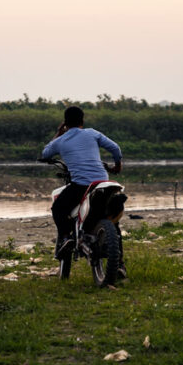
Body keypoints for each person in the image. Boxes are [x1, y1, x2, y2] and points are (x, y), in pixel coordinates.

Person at [40, 106, 123, 260]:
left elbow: (45, 154)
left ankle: (66, 238)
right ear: (82, 120)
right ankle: (120, 266)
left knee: (58, 208)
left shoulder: (60, 140)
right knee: (114, 222)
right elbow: (115, 148)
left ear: (65, 123)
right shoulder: (92, 133)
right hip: (103, 182)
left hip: (81, 185)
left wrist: (59, 133)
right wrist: (117, 166)